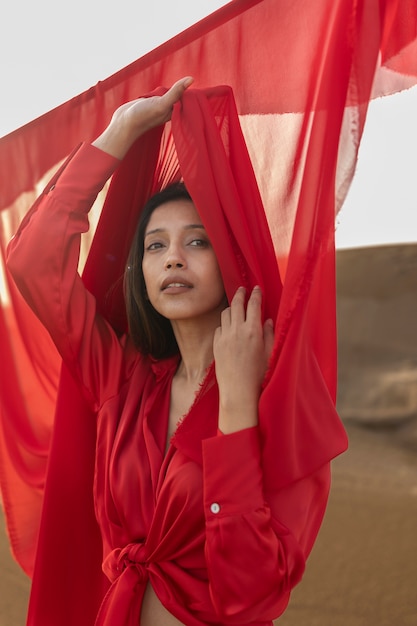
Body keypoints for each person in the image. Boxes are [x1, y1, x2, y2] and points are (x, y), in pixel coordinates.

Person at [7, 77, 340, 626]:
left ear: (231, 255)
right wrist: (122, 130)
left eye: (197, 240)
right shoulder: (123, 379)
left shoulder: (281, 396)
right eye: (155, 245)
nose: (173, 259)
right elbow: (33, 260)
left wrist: (234, 406)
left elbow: (251, 591)